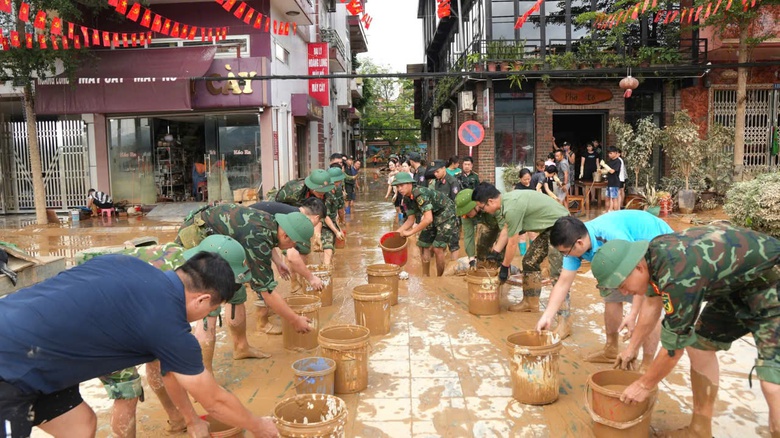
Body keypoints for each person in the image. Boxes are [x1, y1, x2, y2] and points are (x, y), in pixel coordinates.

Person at [0, 252, 279, 438]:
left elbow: (172, 374)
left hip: (35, 350)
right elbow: (214, 401)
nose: (207, 315)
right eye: (211, 310)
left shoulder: (129, 265)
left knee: (80, 425)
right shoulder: (169, 324)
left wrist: (192, 419)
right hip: (10, 365)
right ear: (203, 300)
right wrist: (258, 426)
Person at [590, 224, 780, 438]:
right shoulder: (651, 257)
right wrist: (631, 348)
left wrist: (644, 385)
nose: (624, 292)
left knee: (773, 382)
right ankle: (700, 430)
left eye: (622, 285)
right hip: (739, 286)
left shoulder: (677, 275)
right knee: (700, 345)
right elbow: (652, 304)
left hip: (773, 280)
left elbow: (673, 349)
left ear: (639, 268)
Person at [74, 236, 255, 438]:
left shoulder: (185, 267)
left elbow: (167, 361)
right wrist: (201, 398)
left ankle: (176, 419)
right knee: (127, 390)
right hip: (97, 312)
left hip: (113, 295)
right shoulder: (181, 286)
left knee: (156, 359)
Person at [537, 211, 672, 367]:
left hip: (656, 245)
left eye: (564, 252)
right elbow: (563, 282)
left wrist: (633, 313)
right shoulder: (574, 245)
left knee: (650, 307)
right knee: (611, 295)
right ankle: (611, 350)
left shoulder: (613, 237)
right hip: (623, 257)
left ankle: (647, 363)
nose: (565, 256)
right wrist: (547, 316)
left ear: (579, 243)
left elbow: (637, 272)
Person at [175, 205, 315, 339]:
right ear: (285, 236)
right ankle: (204, 352)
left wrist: (278, 262)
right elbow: (267, 292)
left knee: (237, 290)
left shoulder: (271, 223)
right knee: (211, 300)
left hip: (215, 234)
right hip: (197, 236)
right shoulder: (258, 238)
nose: (292, 247)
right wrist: (295, 320)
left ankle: (241, 347)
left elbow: (267, 241)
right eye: (294, 244)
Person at [471, 183, 572, 338]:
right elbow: (507, 229)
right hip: (549, 227)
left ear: (490, 201)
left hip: (562, 226)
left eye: (482, 207)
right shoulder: (506, 202)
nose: (482, 210)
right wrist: (495, 252)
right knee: (529, 261)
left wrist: (505, 267)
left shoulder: (511, 207)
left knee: (557, 275)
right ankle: (530, 302)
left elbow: (513, 243)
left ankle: (564, 322)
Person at [393, 172, 458, 277]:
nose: (399, 189)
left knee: (437, 247)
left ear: (410, 183)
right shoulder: (406, 199)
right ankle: (425, 276)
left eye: (401, 185)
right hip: (433, 214)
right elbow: (410, 220)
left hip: (446, 213)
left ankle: (439, 278)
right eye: (397, 186)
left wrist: (410, 232)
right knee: (423, 244)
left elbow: (428, 219)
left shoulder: (420, 194)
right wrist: (394, 235)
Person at [274, 169, 343, 265]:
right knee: (291, 246)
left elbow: (322, 216)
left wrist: (317, 235)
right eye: (320, 192)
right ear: (312, 188)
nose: (322, 194)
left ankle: (321, 269)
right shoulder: (293, 189)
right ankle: (292, 272)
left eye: (324, 192)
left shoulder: (327, 194)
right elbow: (278, 205)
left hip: (306, 214)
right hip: (289, 212)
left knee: (306, 247)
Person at [455, 189, 502, 266]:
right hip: (488, 225)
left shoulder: (492, 205)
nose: (465, 215)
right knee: (482, 252)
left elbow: (505, 230)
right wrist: (471, 258)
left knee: (499, 255)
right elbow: (468, 235)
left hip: (503, 227)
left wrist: (496, 248)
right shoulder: (465, 215)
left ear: (475, 205)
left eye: (467, 212)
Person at [429, 160, 462, 261]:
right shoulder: (437, 182)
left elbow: (456, 201)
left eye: (437, 171)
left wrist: (454, 219)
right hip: (439, 218)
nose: (435, 174)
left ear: (444, 169)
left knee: (453, 244)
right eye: (434, 172)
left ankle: (453, 264)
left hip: (451, 217)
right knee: (439, 243)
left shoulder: (452, 182)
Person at [600, 146, 622, 212]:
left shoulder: (618, 161)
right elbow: (607, 171)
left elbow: (612, 171)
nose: (609, 155)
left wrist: (604, 165)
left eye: (611, 153)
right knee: (607, 198)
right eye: (609, 153)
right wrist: (601, 171)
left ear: (615, 153)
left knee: (614, 199)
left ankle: (615, 213)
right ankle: (607, 212)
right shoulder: (610, 161)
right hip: (609, 182)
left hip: (614, 182)